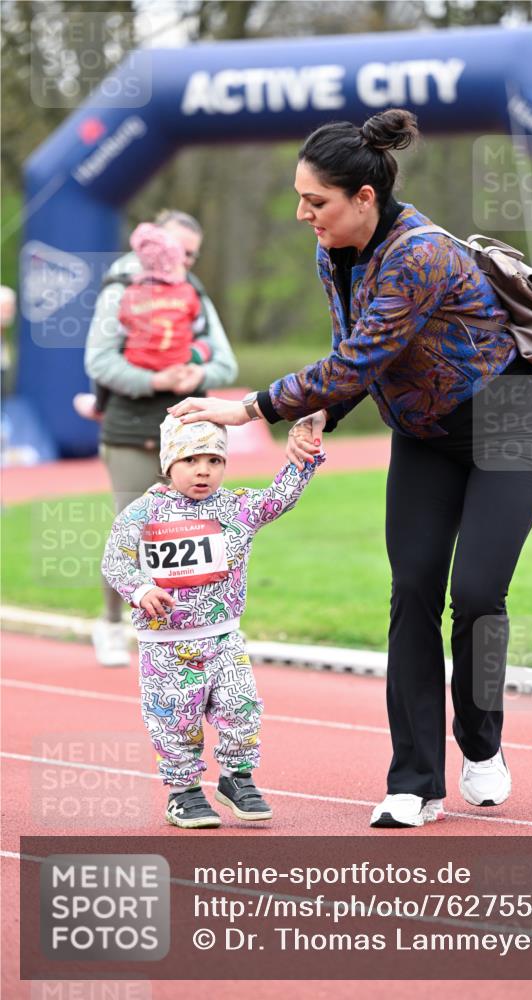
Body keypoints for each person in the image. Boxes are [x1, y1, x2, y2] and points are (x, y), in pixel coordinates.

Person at [169, 109, 532, 830]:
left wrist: (248, 408)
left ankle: (480, 740)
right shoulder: (332, 254)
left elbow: (358, 357)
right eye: (299, 197)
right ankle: (412, 781)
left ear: (364, 199)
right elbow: (352, 352)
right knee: (411, 590)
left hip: (505, 426)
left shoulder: (421, 256)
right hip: (421, 434)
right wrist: (325, 413)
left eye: (315, 201)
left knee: (474, 594)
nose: (301, 213)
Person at [101, 414, 325, 828]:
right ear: (169, 464)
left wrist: (304, 457)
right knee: (175, 719)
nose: (203, 470)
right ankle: (183, 792)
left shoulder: (236, 507)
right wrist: (140, 590)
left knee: (242, 709)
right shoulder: (143, 513)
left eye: (214, 460)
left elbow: (280, 497)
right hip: (166, 646)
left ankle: (237, 779)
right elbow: (115, 562)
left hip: (224, 639)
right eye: (190, 460)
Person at [84, 209, 238, 668]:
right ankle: (112, 624)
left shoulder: (194, 293)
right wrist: (155, 381)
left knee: (192, 533)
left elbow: (225, 364)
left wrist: (196, 372)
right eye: (176, 250)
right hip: (132, 432)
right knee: (131, 534)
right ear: (150, 244)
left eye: (192, 254)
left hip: (189, 437)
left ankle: (189, 630)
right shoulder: (121, 290)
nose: (182, 260)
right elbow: (99, 362)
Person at [75, 222, 211, 421]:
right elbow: (200, 327)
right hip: (181, 363)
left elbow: (120, 331)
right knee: (203, 344)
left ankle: (98, 405)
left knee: (111, 361)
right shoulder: (190, 292)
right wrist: (194, 357)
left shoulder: (130, 293)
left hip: (139, 363)